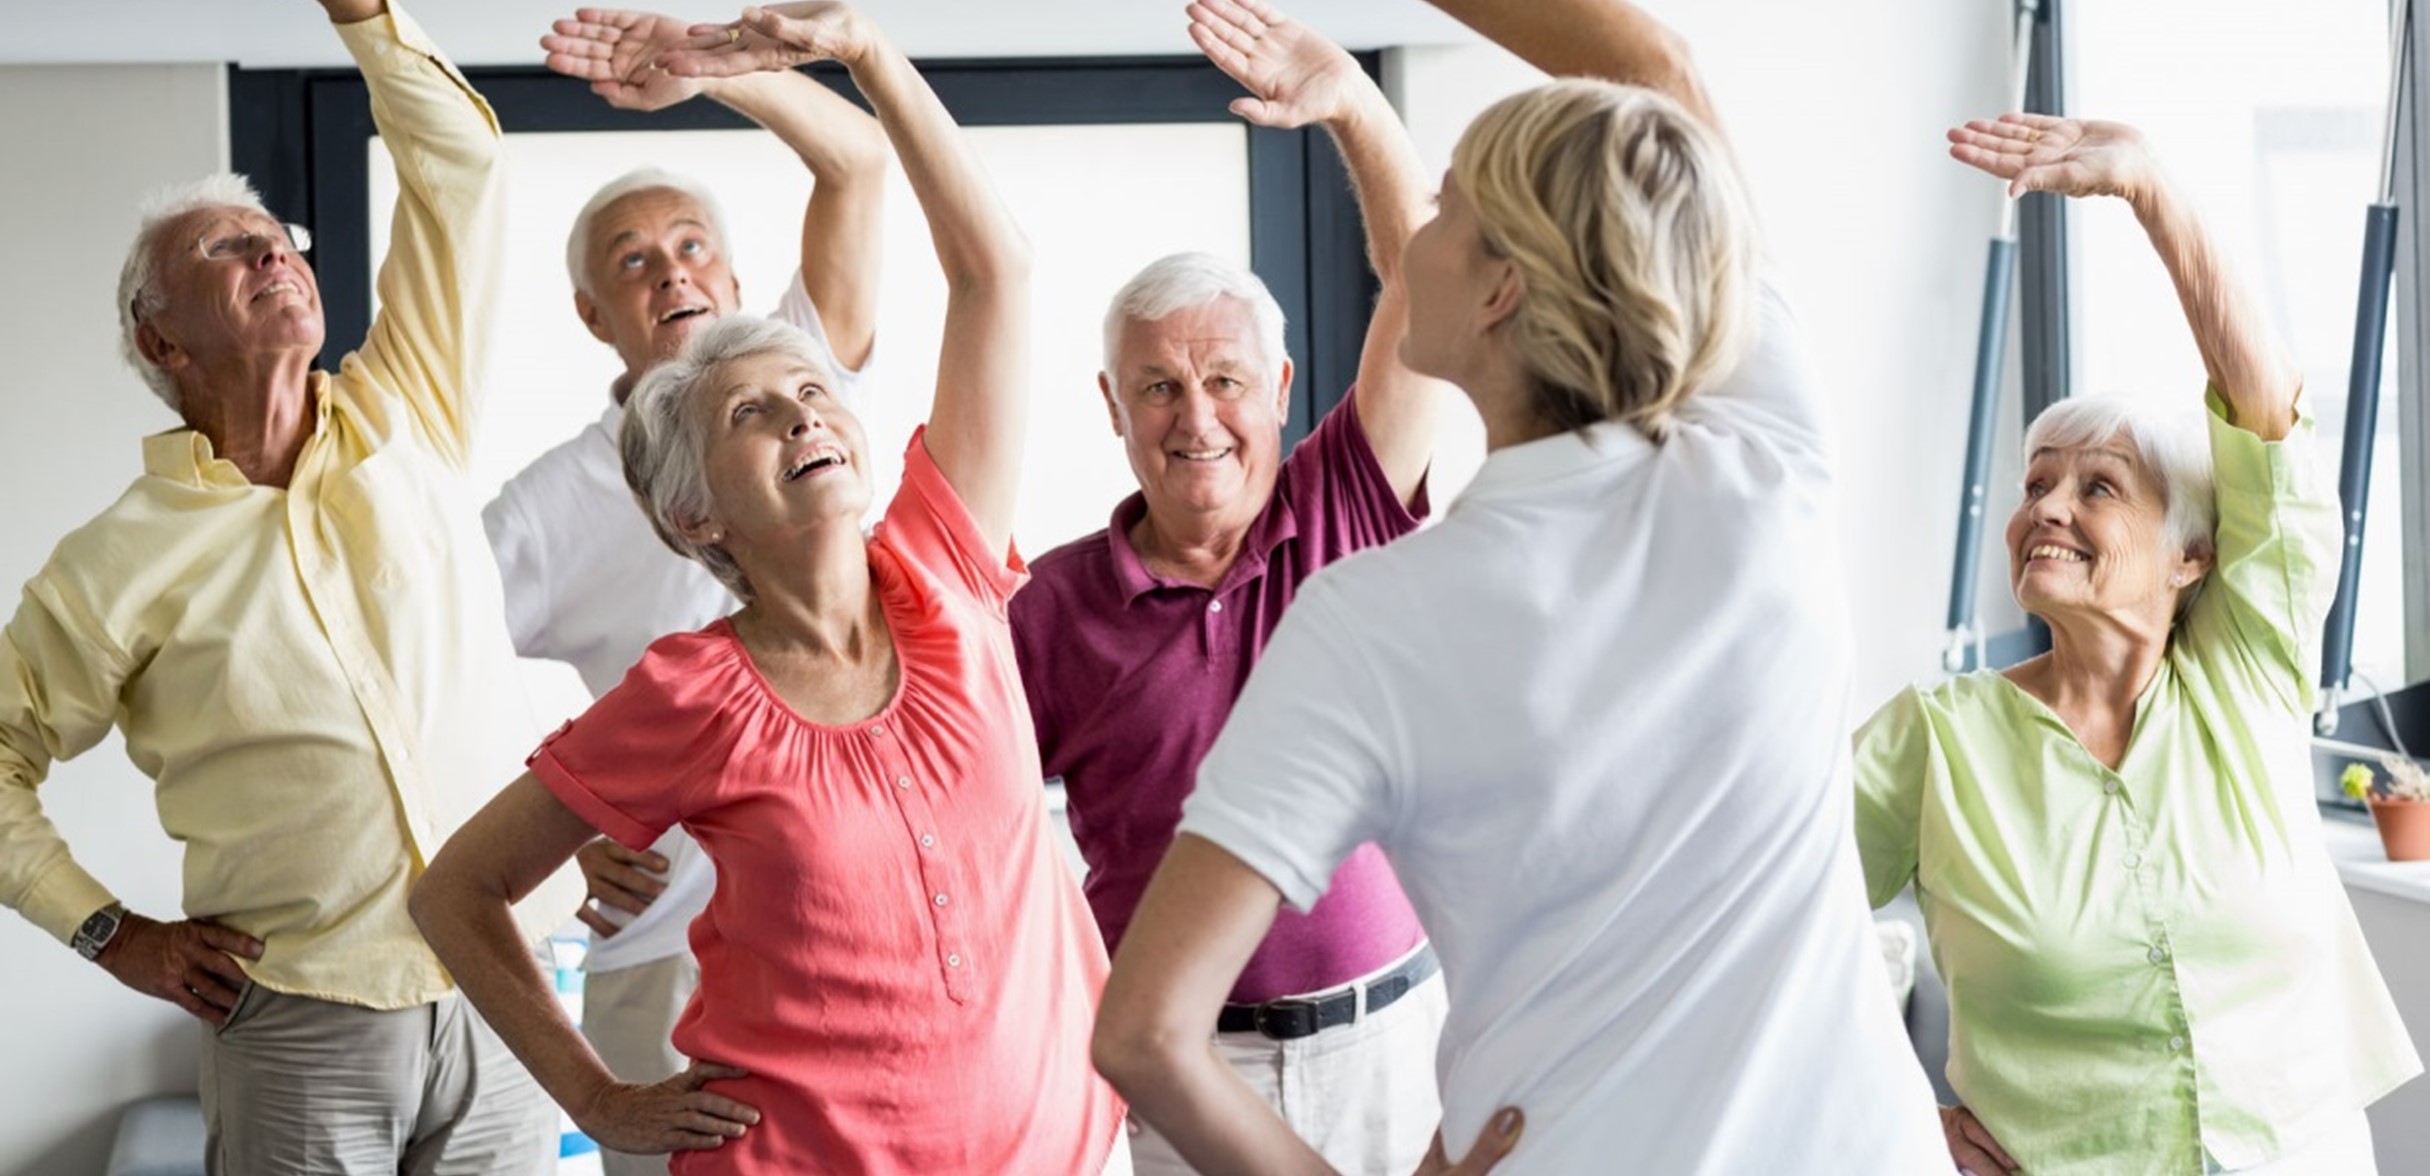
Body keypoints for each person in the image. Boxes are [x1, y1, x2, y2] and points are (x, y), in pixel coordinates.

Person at [1090, 1, 1952, 1172]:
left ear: (1500, 290)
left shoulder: (1363, 620)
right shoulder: (1770, 459)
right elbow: (1654, 63)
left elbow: (1145, 1035)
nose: (1421, 234)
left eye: (1445, 207)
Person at [410, 4, 1125, 1172]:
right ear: (697, 513)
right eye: (753, 412)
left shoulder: (944, 565)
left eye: (811, 390)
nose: (802, 411)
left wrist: (869, 52)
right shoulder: (690, 690)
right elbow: (457, 894)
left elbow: (994, 271)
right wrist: (600, 1101)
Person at [0, 1, 574, 1171]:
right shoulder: (111, 564)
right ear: (161, 343)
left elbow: (460, 164)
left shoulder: (411, 410)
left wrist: (365, 19)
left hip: (511, 988)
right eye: (227, 248)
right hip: (302, 1018)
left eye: (280, 235)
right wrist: (110, 935)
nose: (276, 253)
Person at [1851, 114, 2422, 1176]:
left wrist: (2156, 191)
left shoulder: (2248, 675)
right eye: (2035, 486)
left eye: (2097, 486)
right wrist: (1890, 1115)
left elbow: (2270, 433)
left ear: (2191, 556)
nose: (2046, 510)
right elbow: (1766, 919)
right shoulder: (1936, 742)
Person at [1010, 2, 1448, 1168]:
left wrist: (1352, 103)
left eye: (1223, 379)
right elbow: (957, 819)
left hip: (1390, 1044)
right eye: (1156, 387)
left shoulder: (1345, 498)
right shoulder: (1047, 611)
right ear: (1112, 408)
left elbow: (1427, 285)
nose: (1195, 418)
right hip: (1183, 1072)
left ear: (1283, 387)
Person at [483, 16, 885, 1174]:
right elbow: (418, 682)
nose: (672, 271)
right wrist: (560, 828)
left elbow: (855, 161)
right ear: (592, 315)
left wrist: (720, 73)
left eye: (693, 245)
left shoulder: (803, 374)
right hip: (666, 964)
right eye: (633, 260)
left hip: (852, 919)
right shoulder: (546, 508)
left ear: (738, 279)